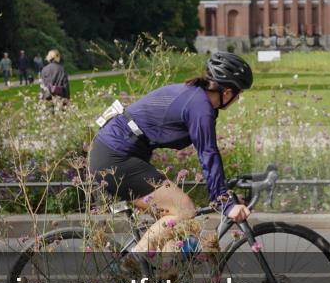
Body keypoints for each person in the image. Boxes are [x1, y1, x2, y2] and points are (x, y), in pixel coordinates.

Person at [88, 52, 254, 255]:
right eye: (239, 94)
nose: (238, 99)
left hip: (114, 152)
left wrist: (223, 189)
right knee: (184, 209)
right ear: (227, 92)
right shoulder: (200, 106)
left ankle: (165, 279)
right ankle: (132, 262)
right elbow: (208, 152)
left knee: (176, 232)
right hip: (115, 157)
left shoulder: (194, 95)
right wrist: (225, 203)